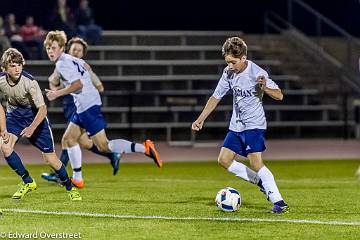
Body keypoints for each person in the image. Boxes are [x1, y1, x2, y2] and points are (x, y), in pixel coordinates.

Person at [43, 30, 162, 188]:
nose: (50, 51)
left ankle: (144, 148)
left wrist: (56, 93)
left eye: (54, 47)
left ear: (62, 48)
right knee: (68, 139)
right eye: (48, 48)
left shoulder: (62, 63)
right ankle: (77, 178)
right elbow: (86, 66)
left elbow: (78, 85)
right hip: (85, 104)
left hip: (87, 106)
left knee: (103, 145)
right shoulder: (70, 58)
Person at [191, 37, 289, 213]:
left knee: (256, 163)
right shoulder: (228, 73)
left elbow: (280, 95)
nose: (230, 66)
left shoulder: (257, 73)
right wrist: (201, 118)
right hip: (237, 125)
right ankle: (261, 182)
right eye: (227, 62)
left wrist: (265, 88)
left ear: (243, 58)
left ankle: (279, 202)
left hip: (254, 124)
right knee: (224, 160)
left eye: (233, 62)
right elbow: (216, 97)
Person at [0, 48, 81, 200]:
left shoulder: (30, 82)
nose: (17, 68)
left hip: (35, 117)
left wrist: (32, 127)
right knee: (5, 146)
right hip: (15, 116)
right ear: (4, 68)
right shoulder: (1, 80)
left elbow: (43, 109)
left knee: (50, 159)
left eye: (19, 64)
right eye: (12, 65)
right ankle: (28, 181)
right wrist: (3, 129)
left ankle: (70, 187)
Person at [41, 37, 119, 187]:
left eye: (79, 50)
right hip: (70, 104)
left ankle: (61, 175)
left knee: (69, 140)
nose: (76, 51)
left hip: (81, 105)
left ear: (82, 53)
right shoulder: (62, 64)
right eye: (74, 49)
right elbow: (53, 80)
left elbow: (98, 86)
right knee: (83, 142)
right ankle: (111, 155)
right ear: (68, 50)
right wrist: (56, 90)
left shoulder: (81, 67)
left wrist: (86, 93)